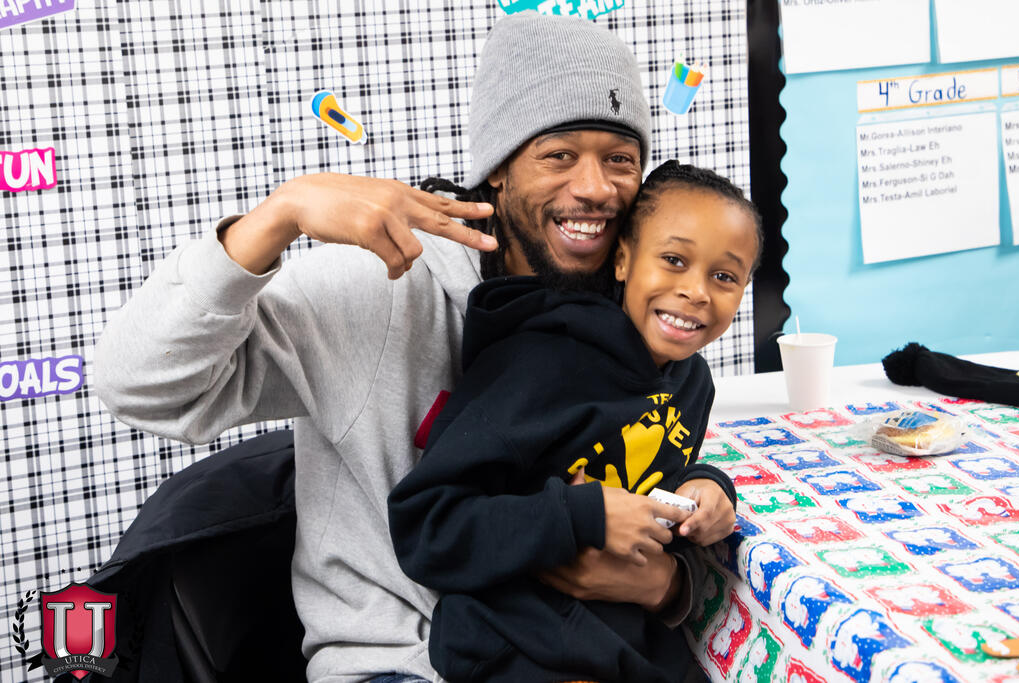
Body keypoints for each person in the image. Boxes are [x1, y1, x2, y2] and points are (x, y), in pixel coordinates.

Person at [94, 12, 733, 683]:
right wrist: (276, 218)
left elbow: (650, 467)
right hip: (405, 661)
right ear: (498, 169)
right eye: (559, 155)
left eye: (620, 159)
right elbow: (138, 384)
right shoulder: (385, 282)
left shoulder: (633, 304)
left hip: (574, 648)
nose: (596, 188)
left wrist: (667, 585)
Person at [388, 161, 761, 683]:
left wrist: (705, 487)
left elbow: (654, 483)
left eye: (724, 277)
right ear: (623, 260)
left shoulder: (693, 382)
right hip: (512, 647)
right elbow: (427, 526)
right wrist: (583, 515)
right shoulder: (537, 365)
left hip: (628, 644)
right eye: (674, 260)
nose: (697, 291)